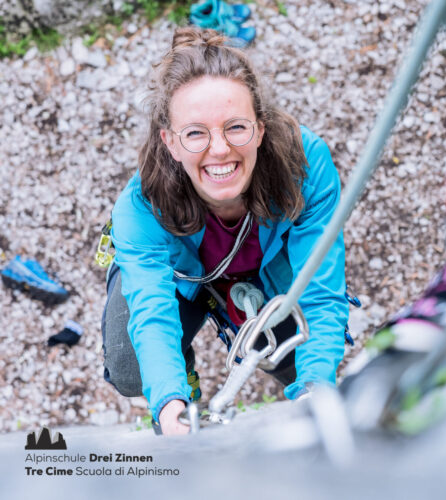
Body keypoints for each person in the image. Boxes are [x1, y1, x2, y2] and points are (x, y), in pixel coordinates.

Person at [100, 27, 348, 435]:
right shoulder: (140, 205)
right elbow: (152, 312)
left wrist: (315, 388)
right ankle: (184, 383)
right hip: (182, 276)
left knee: (295, 358)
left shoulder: (305, 167)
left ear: (261, 128)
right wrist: (170, 405)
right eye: (195, 133)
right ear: (170, 143)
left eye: (236, 127)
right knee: (131, 367)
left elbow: (319, 293)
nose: (219, 150)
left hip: (266, 269)